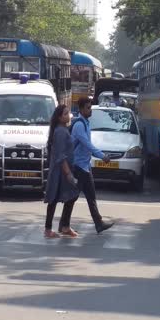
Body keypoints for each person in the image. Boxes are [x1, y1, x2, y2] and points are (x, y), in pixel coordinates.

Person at [71, 96, 114, 234]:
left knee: (90, 197)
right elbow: (87, 145)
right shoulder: (79, 125)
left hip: (85, 165)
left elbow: (88, 146)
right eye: (88, 108)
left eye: (90, 107)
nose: (90, 110)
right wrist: (102, 156)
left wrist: (99, 156)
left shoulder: (86, 123)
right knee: (73, 197)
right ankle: (64, 223)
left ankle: (98, 223)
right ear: (81, 109)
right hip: (79, 166)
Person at [44, 105, 81, 238]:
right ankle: (48, 229)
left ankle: (65, 226)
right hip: (59, 172)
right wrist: (68, 174)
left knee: (72, 196)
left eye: (68, 113)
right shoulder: (60, 132)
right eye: (65, 114)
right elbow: (60, 155)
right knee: (53, 199)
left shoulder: (64, 130)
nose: (68, 116)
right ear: (59, 117)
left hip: (64, 170)